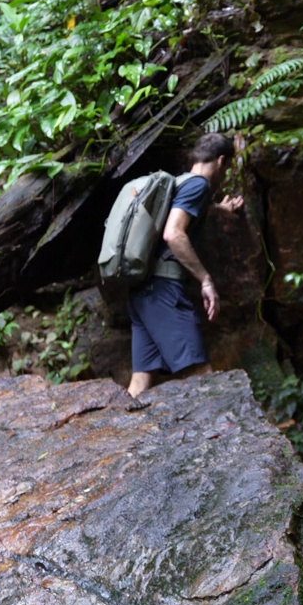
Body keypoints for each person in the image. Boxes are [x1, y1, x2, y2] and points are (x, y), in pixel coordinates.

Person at [126, 132, 244, 403]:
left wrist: (219, 209)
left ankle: (115, 443)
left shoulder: (178, 183)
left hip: (142, 292)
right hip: (163, 291)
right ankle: (224, 443)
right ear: (221, 161)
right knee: (201, 376)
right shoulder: (199, 186)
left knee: (140, 383)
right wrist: (205, 280)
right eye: (226, 168)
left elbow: (183, 212)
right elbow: (173, 233)